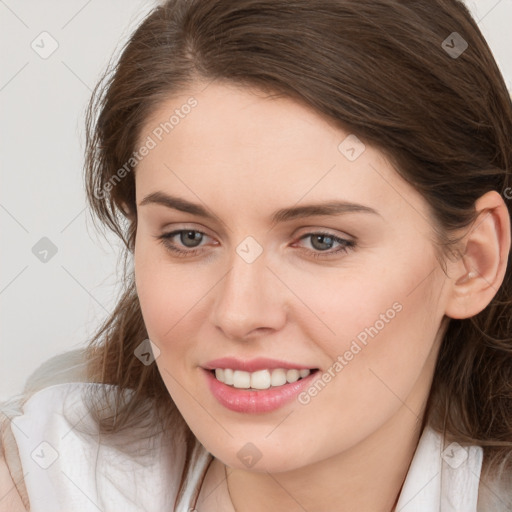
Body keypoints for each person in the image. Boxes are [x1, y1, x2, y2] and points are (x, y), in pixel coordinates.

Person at [1, 0, 512, 510]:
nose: (239, 313)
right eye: (189, 237)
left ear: (473, 261)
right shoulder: (41, 480)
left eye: (321, 241)